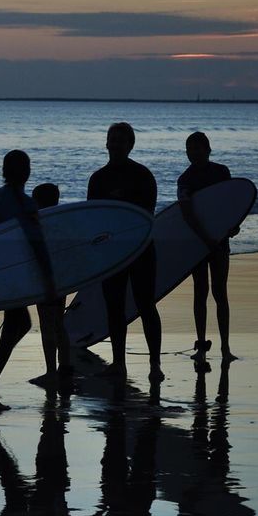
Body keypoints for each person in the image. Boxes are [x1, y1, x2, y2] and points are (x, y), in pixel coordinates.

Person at [0, 150, 57, 408]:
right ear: (27, 172)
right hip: (15, 277)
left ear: (4, 172)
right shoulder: (25, 204)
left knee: (19, 325)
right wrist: (48, 280)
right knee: (16, 326)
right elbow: (37, 245)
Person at [87, 122, 162, 381]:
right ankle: (119, 363)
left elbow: (146, 216)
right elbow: (92, 220)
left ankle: (155, 365)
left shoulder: (143, 175)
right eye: (113, 140)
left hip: (140, 250)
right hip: (111, 253)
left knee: (146, 305)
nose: (117, 145)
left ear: (131, 145)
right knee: (114, 307)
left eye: (122, 141)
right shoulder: (98, 179)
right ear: (106, 143)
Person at [178, 131, 236, 362]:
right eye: (189, 149)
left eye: (198, 148)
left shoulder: (221, 172)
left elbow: (232, 203)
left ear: (208, 149)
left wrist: (233, 226)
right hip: (196, 243)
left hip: (220, 241)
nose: (194, 152)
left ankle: (225, 348)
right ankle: (201, 346)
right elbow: (186, 214)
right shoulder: (185, 179)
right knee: (200, 292)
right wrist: (205, 239)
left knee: (220, 292)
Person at [30, 183, 72, 385]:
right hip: (62, 279)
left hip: (45, 280)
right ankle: (65, 365)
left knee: (47, 324)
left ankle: (51, 371)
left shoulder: (40, 223)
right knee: (58, 323)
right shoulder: (62, 221)